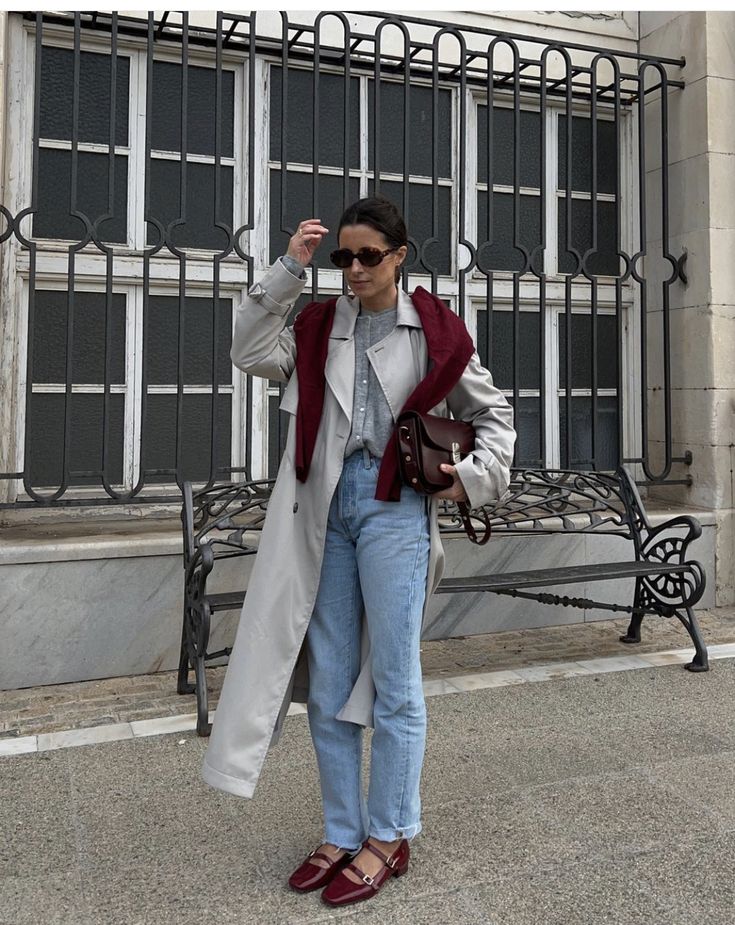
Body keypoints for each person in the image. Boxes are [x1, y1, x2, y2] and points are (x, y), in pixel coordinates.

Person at [201, 196, 516, 908]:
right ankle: (342, 830)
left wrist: (466, 481)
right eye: (344, 256)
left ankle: (389, 832)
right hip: (324, 512)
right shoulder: (316, 324)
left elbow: (491, 414)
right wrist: (289, 270)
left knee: (396, 679)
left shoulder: (431, 330)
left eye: (367, 255)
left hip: (395, 513)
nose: (353, 269)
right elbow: (249, 348)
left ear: (399, 256)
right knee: (333, 678)